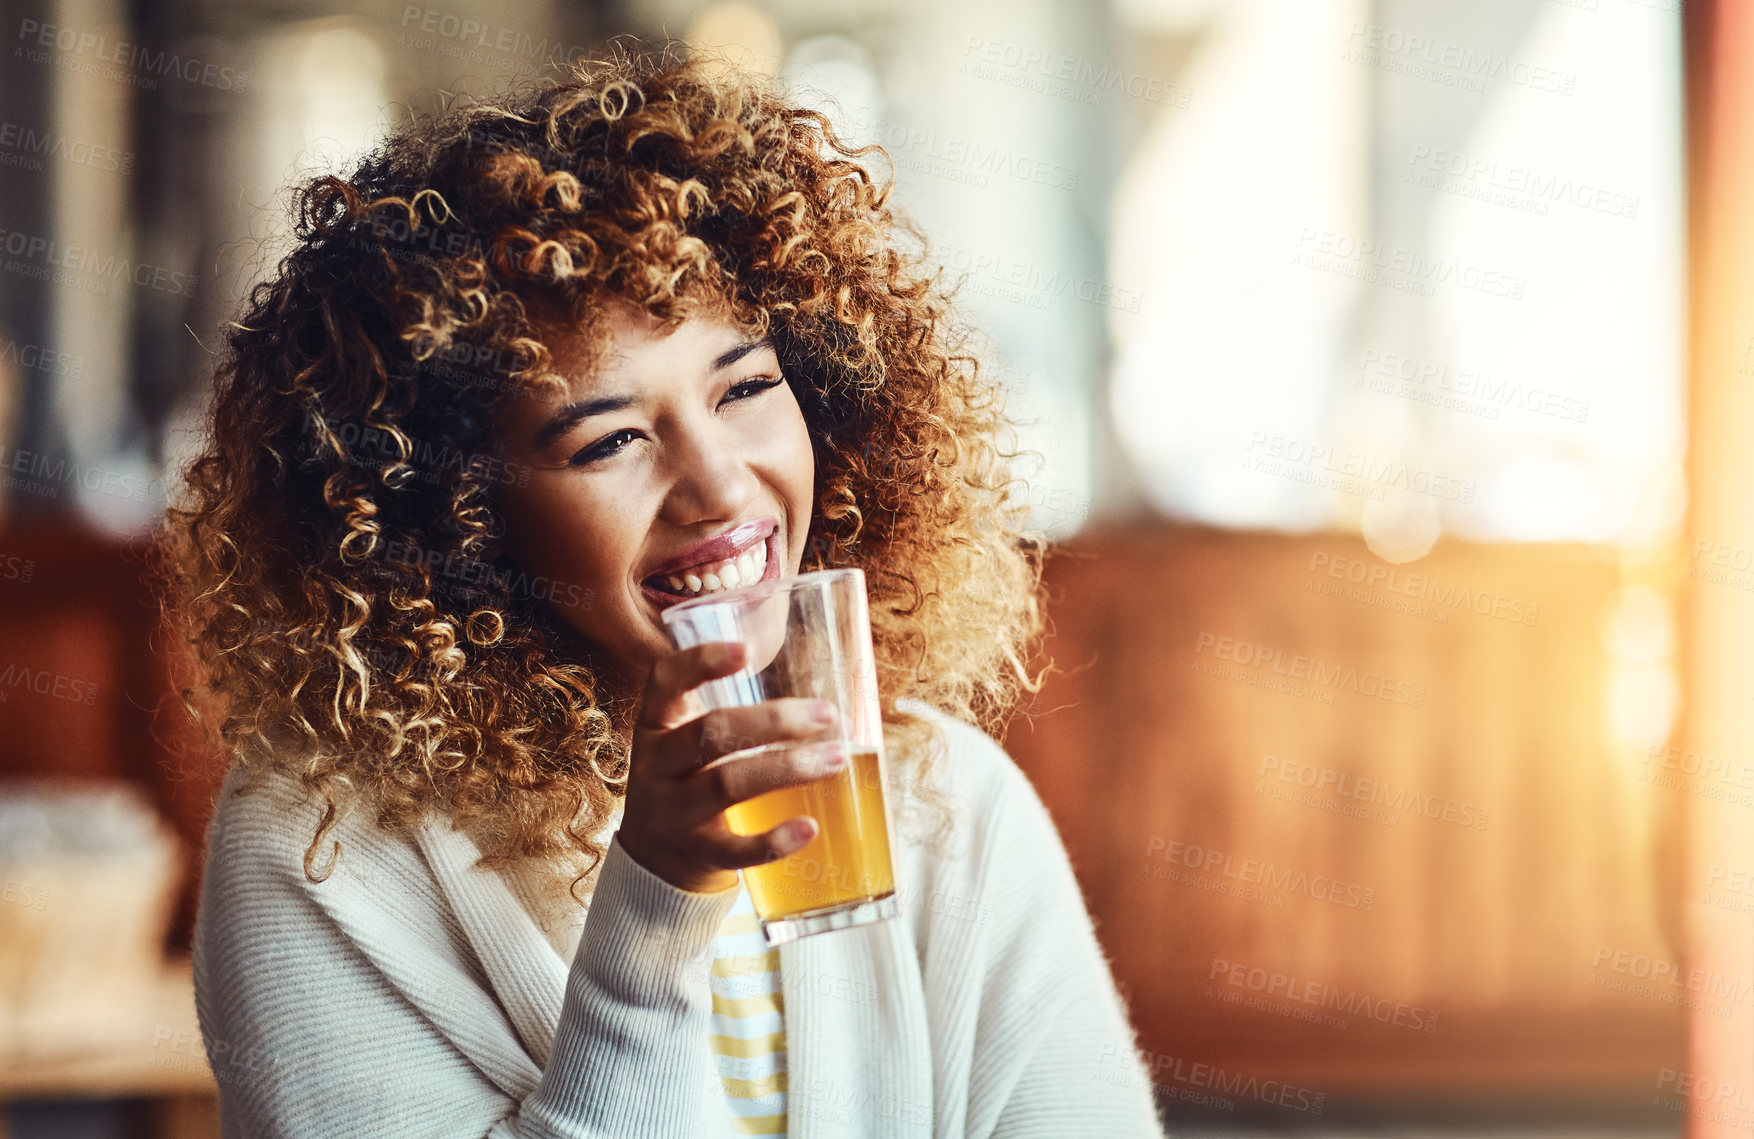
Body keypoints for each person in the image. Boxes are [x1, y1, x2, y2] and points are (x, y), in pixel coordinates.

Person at [158, 46, 1166, 1139]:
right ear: (454, 515)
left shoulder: (945, 806)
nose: (723, 483)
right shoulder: (325, 849)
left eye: (744, 387)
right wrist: (656, 900)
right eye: (610, 440)